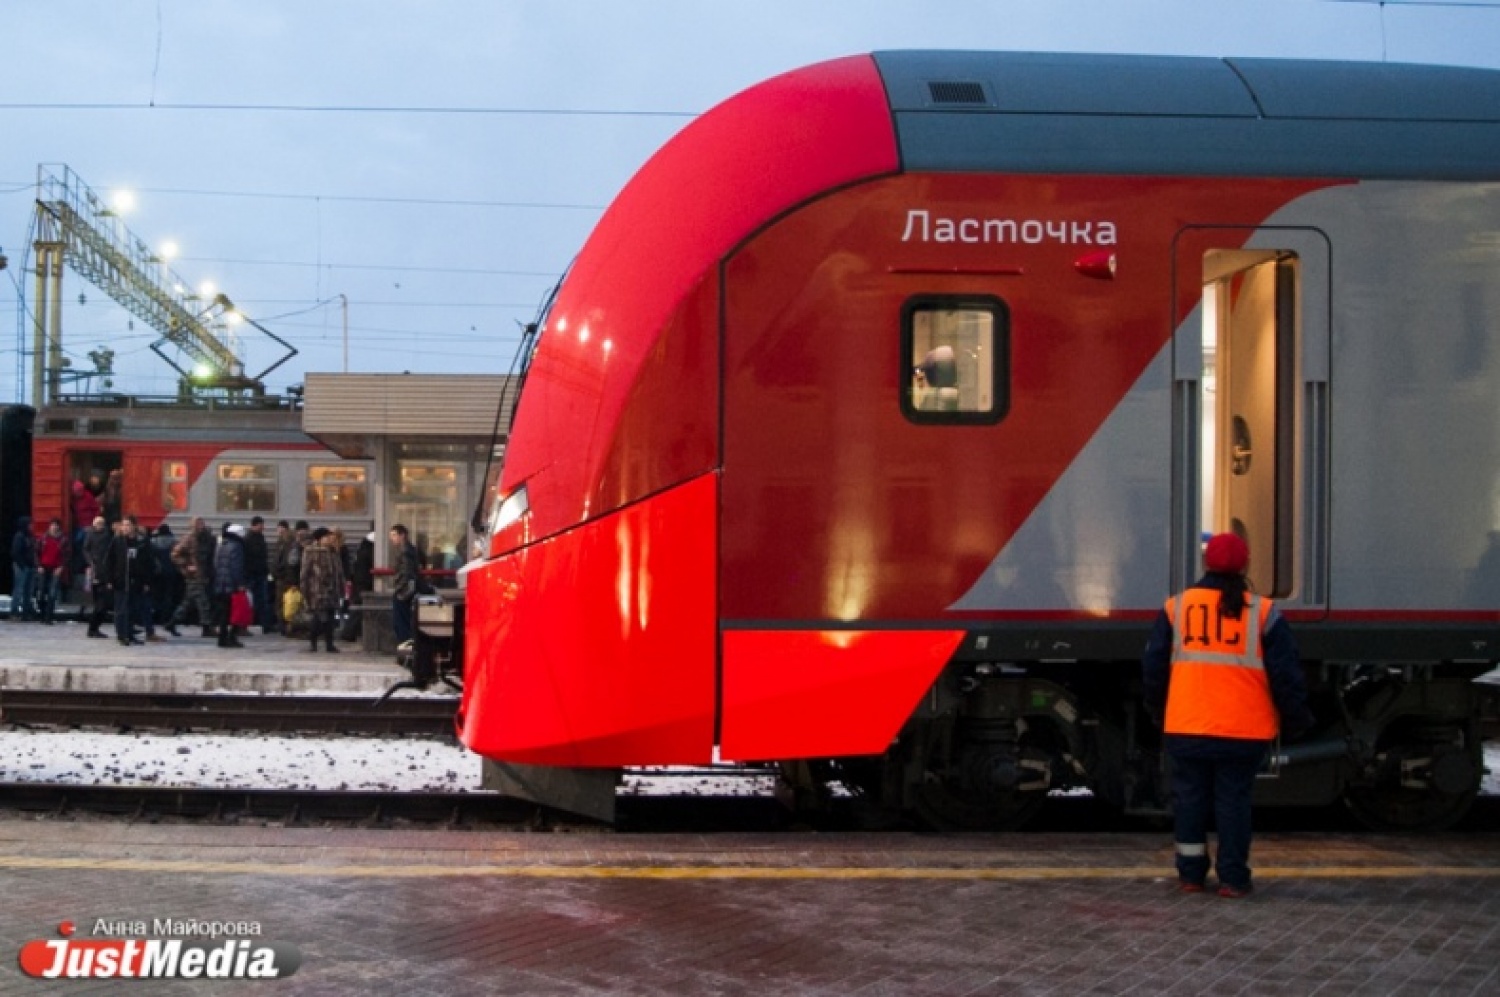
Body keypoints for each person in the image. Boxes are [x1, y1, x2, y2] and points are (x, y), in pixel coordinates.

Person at [1142, 531, 1315, 899]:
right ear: (1245, 566)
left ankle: (1190, 875)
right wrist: (1297, 718)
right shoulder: (1264, 612)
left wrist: (1157, 711)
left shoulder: (1177, 608)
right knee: (1233, 802)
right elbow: (1286, 675)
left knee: (1189, 801)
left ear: (1206, 563)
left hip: (1187, 724)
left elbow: (1154, 669)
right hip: (1243, 729)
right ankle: (1233, 878)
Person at [104, 516, 160, 646]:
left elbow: (148, 563)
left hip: (136, 581)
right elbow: (109, 561)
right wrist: (109, 579)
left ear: (134, 526)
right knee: (121, 609)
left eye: (128, 525)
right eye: (124, 525)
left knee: (133, 609)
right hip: (121, 580)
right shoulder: (117, 541)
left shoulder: (141, 542)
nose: (125, 528)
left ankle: (130, 633)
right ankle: (121, 635)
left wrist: (147, 582)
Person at [300, 527, 346, 653]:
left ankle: (329, 644)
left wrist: (342, 588)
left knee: (330, 618)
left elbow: (339, 571)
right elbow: (305, 573)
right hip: (317, 590)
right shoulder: (311, 552)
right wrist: (305, 590)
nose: (329, 539)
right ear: (319, 539)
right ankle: (313, 642)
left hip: (333, 590)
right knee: (319, 617)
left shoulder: (333, 551)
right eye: (326, 537)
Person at [170, 517, 216, 637]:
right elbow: (175, 555)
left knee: (188, 603)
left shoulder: (206, 538)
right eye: (197, 524)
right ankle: (207, 628)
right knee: (203, 602)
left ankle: (171, 623)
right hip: (193, 576)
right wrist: (187, 565)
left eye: (201, 523)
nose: (199, 526)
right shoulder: (189, 539)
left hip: (203, 575)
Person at [213, 523, 247, 649]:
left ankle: (222, 638)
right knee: (236, 612)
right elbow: (236, 567)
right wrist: (240, 584)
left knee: (223, 613)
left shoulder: (221, 545)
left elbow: (215, 564)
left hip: (220, 584)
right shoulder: (237, 546)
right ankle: (232, 637)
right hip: (232, 585)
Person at [389, 523, 421, 649]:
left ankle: (405, 645)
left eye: (394, 535)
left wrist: (399, 588)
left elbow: (407, 572)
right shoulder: (410, 549)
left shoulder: (404, 551)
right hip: (406, 589)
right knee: (404, 619)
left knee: (401, 620)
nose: (392, 538)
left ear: (402, 535)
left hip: (403, 591)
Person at [341, 530, 376, 642]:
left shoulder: (361, 550)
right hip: (365, 583)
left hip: (359, 582)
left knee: (356, 607)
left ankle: (349, 632)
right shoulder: (370, 552)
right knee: (358, 608)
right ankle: (348, 632)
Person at [82, 515, 113, 638]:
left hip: (105, 572)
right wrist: (90, 562)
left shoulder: (108, 536)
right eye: (98, 523)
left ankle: (94, 629)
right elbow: (85, 550)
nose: (100, 525)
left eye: (102, 523)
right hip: (96, 572)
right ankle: (92, 629)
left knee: (102, 605)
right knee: (100, 604)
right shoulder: (90, 535)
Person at [35, 518, 71, 625]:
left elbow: (67, 555)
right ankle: (42, 614)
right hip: (43, 567)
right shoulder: (43, 538)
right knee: (40, 593)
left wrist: (61, 567)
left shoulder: (63, 540)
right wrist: (38, 565)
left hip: (56, 568)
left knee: (52, 593)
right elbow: (36, 552)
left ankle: (48, 617)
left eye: (56, 525)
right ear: (49, 526)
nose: (54, 527)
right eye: (52, 525)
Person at [151, 523, 183, 630]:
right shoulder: (174, 541)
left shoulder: (153, 541)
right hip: (171, 571)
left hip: (157, 573)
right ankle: (166, 617)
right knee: (168, 596)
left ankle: (156, 616)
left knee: (156, 595)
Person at [244, 516, 273, 635]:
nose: (263, 527)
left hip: (260, 573)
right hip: (252, 574)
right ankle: (252, 624)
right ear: (254, 525)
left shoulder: (259, 538)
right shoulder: (248, 539)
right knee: (252, 601)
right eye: (260, 525)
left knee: (262, 601)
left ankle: (265, 625)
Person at [10, 515, 37, 621]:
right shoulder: (19, 536)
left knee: (28, 591)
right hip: (22, 567)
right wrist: (22, 565)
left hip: (30, 566)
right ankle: (14, 612)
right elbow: (15, 552)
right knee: (19, 590)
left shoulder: (30, 536)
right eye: (30, 524)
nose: (32, 526)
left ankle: (26, 613)